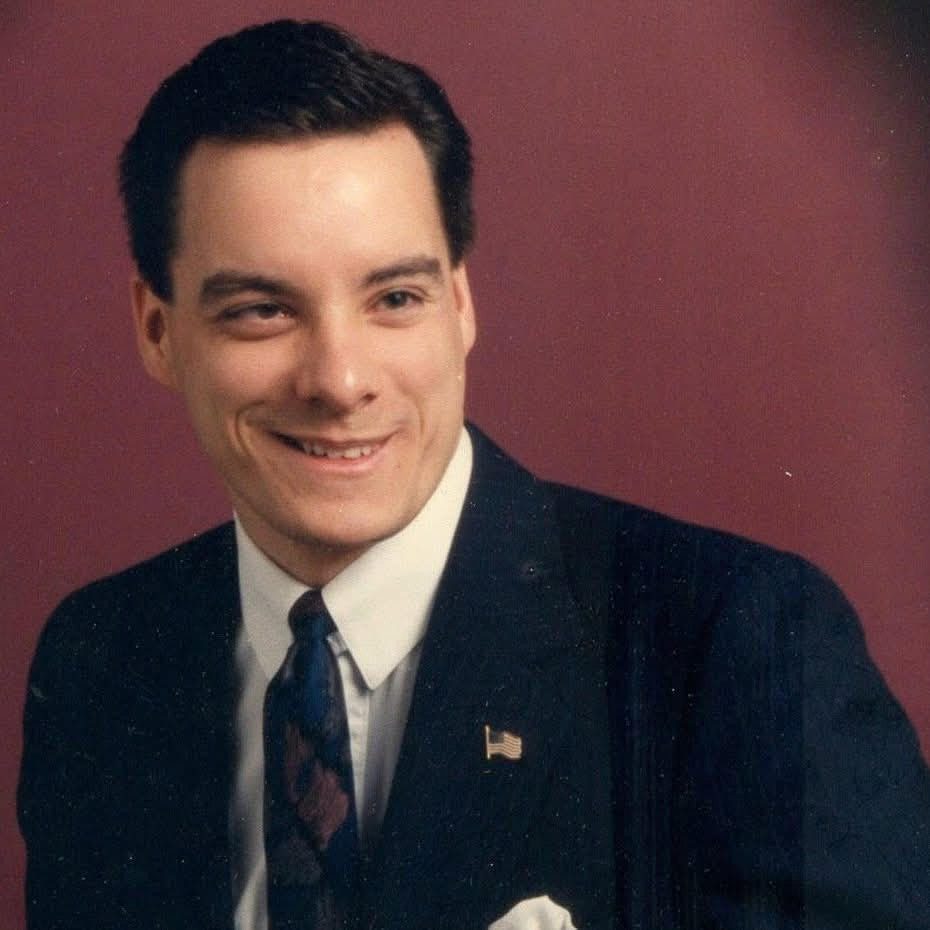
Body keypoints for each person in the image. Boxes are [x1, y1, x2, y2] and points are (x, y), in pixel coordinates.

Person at [17, 19, 930, 930]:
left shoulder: (736, 642)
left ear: (460, 304)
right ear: (156, 330)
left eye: (395, 299)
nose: (340, 381)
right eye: (262, 311)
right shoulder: (102, 662)